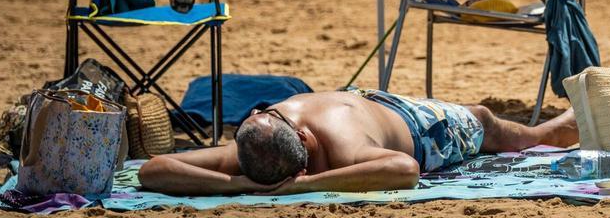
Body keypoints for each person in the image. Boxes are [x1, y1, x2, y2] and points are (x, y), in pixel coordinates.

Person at [137, 89, 578, 195]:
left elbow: (405, 169)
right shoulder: (259, 138)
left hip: (419, 125)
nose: (258, 113)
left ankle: (562, 125)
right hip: (364, 104)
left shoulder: (342, 143)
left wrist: (303, 186)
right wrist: (236, 184)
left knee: (492, 126)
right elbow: (152, 169)